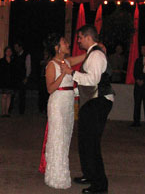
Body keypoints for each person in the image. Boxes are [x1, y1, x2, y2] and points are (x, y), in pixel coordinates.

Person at [61, 25, 114, 194]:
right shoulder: (92, 54)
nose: (78, 41)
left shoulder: (97, 54)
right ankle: (89, 175)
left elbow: (92, 80)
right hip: (91, 102)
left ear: (88, 37)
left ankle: (100, 185)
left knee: (91, 144)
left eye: (80, 38)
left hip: (98, 102)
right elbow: (88, 85)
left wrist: (71, 73)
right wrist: (72, 92)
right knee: (84, 142)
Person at [42, 33, 86, 189]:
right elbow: (50, 88)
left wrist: (96, 49)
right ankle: (56, 177)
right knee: (58, 138)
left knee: (66, 138)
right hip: (57, 103)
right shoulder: (51, 65)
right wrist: (63, 74)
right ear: (57, 47)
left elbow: (83, 56)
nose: (68, 44)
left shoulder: (67, 61)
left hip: (68, 104)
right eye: (64, 42)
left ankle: (60, 172)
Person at [131, 44, 145, 129]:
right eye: (142, 49)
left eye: (144, 49)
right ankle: (136, 121)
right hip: (138, 86)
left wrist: (144, 81)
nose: (143, 50)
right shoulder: (138, 60)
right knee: (137, 104)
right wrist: (137, 80)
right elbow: (135, 71)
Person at [13, 42, 31, 114]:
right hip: (15, 77)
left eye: (16, 47)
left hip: (22, 77)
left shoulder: (26, 55)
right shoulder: (15, 55)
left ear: (20, 47)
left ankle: (21, 110)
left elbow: (28, 66)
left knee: (22, 94)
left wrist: (26, 77)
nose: (15, 49)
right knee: (13, 93)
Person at [0, 47, 14, 117]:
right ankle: (2, 111)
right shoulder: (2, 61)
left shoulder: (13, 61)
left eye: (10, 51)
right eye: (7, 51)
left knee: (9, 96)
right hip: (3, 81)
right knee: (4, 96)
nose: (9, 52)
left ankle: (6, 112)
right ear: (5, 52)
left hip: (11, 81)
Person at [38, 49, 50, 114]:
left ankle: (45, 108)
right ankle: (41, 108)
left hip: (47, 78)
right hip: (42, 78)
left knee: (46, 94)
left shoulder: (50, 60)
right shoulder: (42, 58)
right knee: (41, 94)